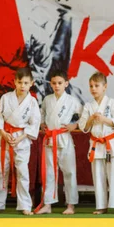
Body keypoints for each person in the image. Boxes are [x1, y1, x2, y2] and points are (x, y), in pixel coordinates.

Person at [0, 67, 41, 215]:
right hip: (4, 137)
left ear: (31, 83)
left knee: (23, 172)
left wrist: (21, 138)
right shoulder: (6, 98)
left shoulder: (32, 102)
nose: (22, 86)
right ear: (14, 82)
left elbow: (34, 123)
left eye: (25, 83)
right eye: (19, 82)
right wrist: (3, 132)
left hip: (21, 140)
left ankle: (25, 205)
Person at [78, 72, 114, 215]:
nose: (93, 89)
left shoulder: (112, 103)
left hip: (111, 144)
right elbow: (83, 127)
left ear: (104, 87)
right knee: (98, 176)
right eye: (91, 86)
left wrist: (104, 119)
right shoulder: (88, 105)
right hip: (96, 144)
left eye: (97, 86)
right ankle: (101, 206)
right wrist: (91, 119)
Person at [35, 69, 82, 215]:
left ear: (66, 84)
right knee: (49, 173)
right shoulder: (47, 99)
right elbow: (41, 114)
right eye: (54, 83)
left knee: (69, 172)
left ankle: (70, 205)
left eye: (60, 83)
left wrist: (75, 125)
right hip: (50, 139)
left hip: (64, 138)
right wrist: (42, 123)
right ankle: (48, 204)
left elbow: (84, 116)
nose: (57, 86)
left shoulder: (72, 101)